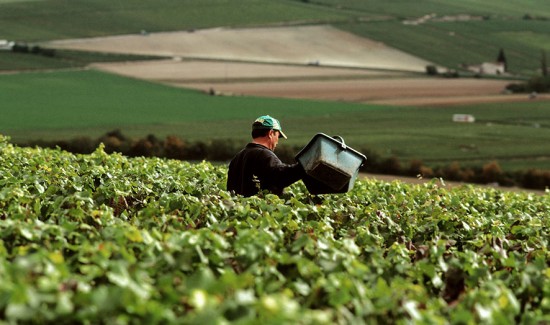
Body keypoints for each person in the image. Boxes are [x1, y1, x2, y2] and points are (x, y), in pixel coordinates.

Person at [227, 115, 305, 197]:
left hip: (241, 207)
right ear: (271, 133)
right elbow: (281, 177)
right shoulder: (265, 155)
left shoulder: (237, 158)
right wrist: (304, 166)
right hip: (260, 209)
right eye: (278, 136)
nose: (277, 142)